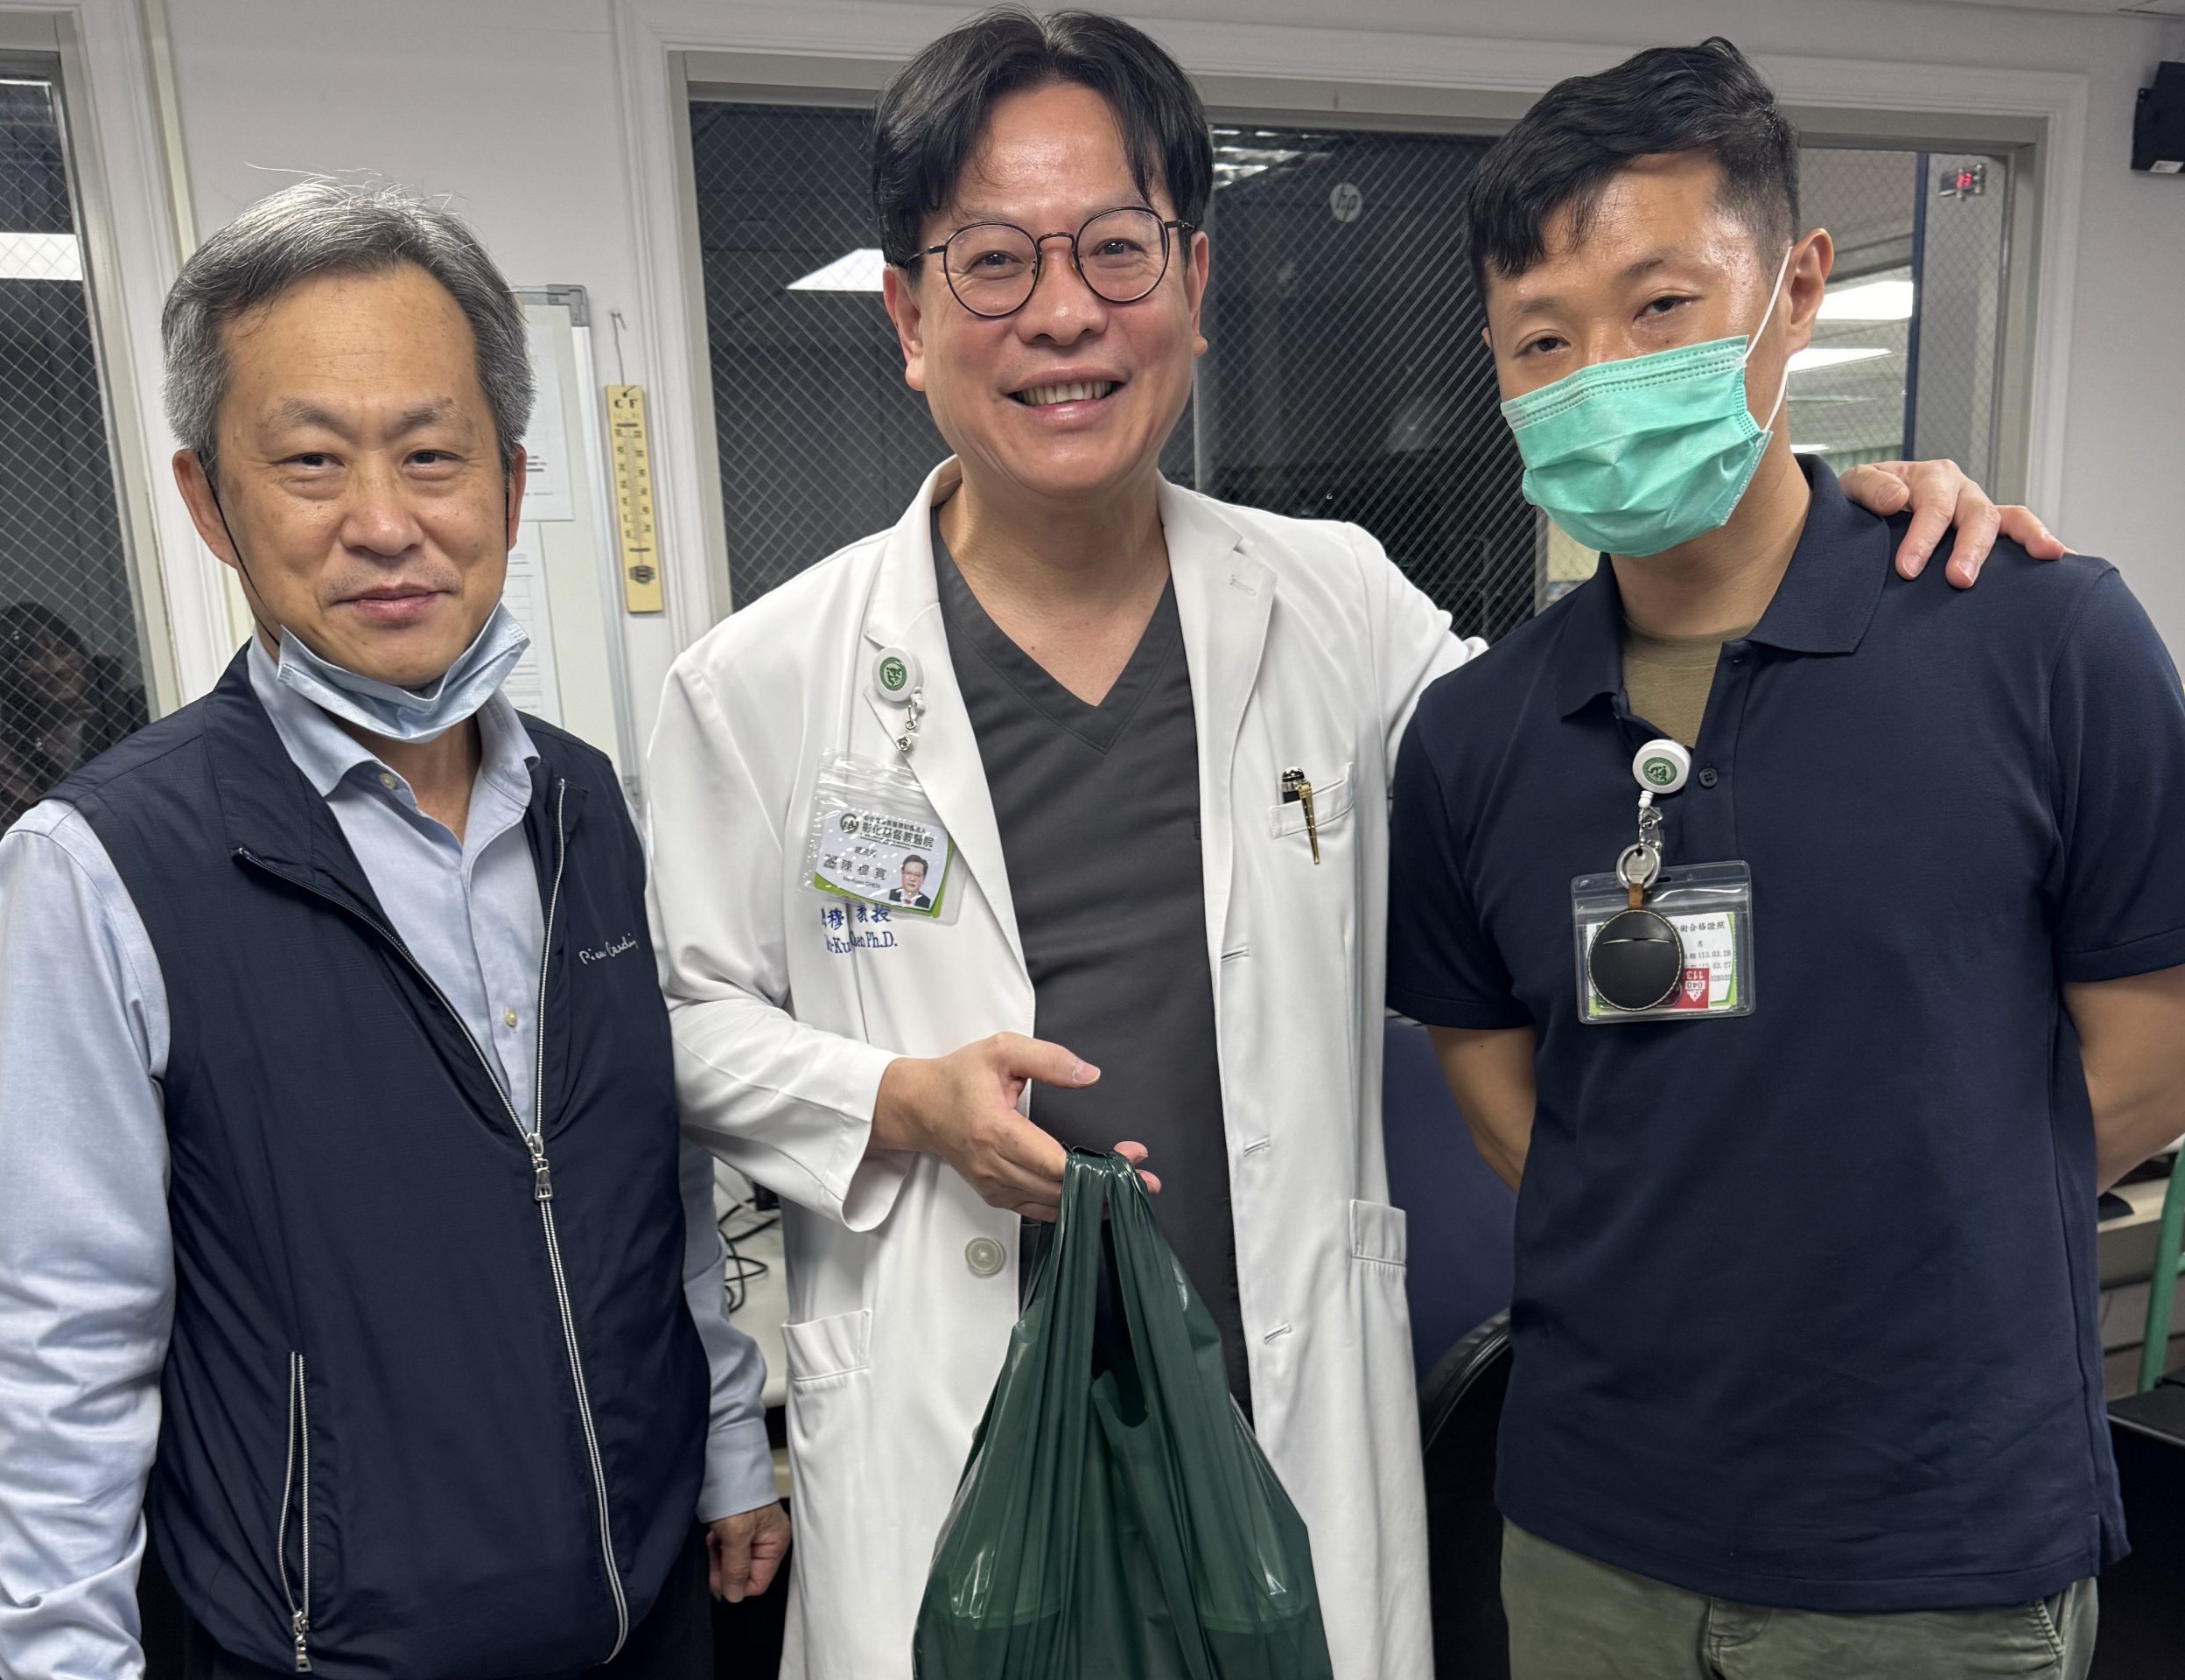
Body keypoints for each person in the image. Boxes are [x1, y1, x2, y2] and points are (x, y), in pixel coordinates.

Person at [643, 12, 2055, 1677]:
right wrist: (892, 1100)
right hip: (963, 1449)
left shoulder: (1342, 606)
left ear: (1194, 278)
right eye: (994, 262)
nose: (1065, 313)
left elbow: (1588, 755)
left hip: (1277, 1437)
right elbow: (681, 1024)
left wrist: (1815, 531)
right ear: (906, 315)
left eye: (1116, 247)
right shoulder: (762, 682)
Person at [1387, 39, 2185, 1680]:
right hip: (1592, 1529)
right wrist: (1691, 1228)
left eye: (1661, 307)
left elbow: (2156, 1047)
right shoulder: (1473, 733)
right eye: (1545, 339)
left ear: (1798, 289)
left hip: (1936, 1541)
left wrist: (1895, 1226)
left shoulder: (2045, 644)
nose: (1602, 372)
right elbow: (1495, 1087)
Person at [0, 180, 787, 1680]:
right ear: (209, 501)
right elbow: (60, 1341)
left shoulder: (587, 806)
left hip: (647, 1611)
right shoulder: (97, 871)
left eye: (431, 454)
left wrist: (729, 1444)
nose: (386, 524)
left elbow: (653, 1185)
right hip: (330, 1651)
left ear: (511, 490)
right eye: (312, 462)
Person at [0, 602, 146, 829]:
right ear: (14, 672)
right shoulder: (11, 757)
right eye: (35, 656)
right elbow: (41, 835)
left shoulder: (134, 707)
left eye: (62, 651)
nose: (57, 667)